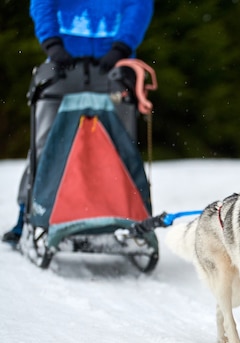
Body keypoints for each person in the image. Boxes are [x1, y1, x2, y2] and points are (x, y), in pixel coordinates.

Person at [2, 0, 154, 245]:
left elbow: (138, 5)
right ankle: (30, 212)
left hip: (114, 65)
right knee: (46, 142)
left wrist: (121, 48)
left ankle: (126, 215)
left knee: (119, 144)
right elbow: (42, 4)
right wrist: (52, 44)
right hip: (61, 63)